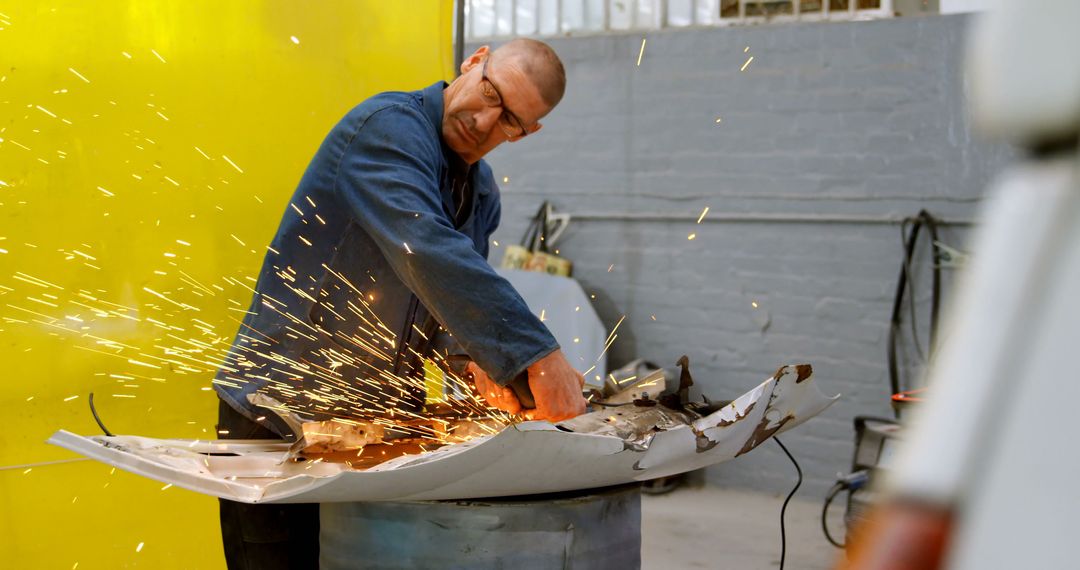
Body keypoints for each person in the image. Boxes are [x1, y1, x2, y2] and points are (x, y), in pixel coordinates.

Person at [212, 38, 588, 569]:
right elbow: (428, 251)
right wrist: (536, 355)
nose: (484, 122)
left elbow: (450, 307)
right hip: (280, 420)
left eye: (510, 121)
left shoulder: (481, 194)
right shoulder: (388, 130)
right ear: (475, 60)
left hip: (369, 432)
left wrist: (480, 368)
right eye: (489, 93)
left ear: (529, 133)